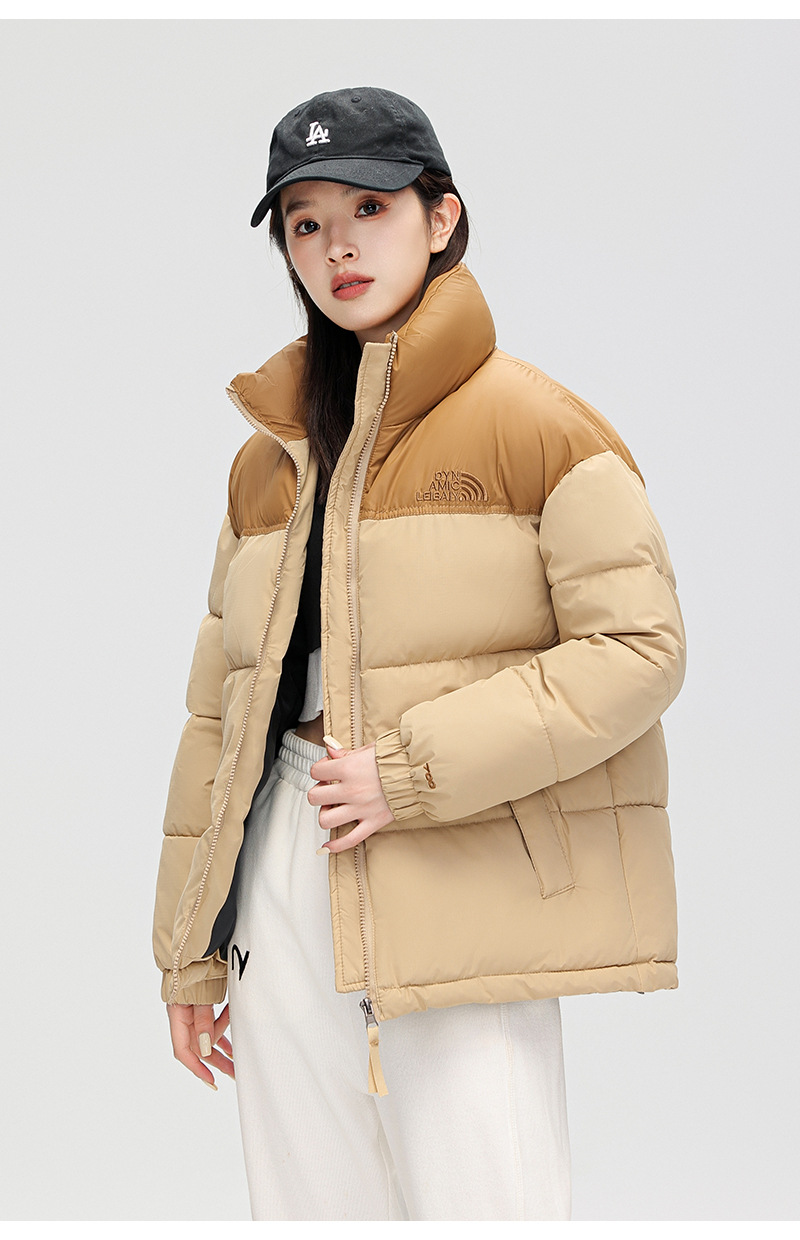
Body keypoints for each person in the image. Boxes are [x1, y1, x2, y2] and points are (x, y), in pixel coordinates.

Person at [152, 86, 686, 1222]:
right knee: (309, 1207)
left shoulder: (541, 427)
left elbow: (639, 650)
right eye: (304, 222)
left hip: (457, 854)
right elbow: (220, 715)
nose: (336, 246)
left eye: (370, 207)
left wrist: (409, 771)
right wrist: (189, 946)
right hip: (284, 852)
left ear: (440, 218)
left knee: (487, 1205)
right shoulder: (268, 461)